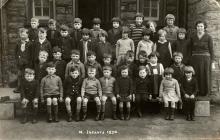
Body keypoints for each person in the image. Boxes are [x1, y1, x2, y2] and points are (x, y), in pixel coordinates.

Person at [189, 20, 215, 96]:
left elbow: (211, 50)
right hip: (195, 59)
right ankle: (196, 92)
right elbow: (190, 49)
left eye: (201, 26)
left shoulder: (208, 37)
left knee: (205, 75)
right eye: (198, 26)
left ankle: (206, 93)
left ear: (204, 27)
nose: (199, 28)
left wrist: (212, 62)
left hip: (206, 60)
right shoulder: (193, 37)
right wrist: (190, 60)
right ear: (196, 27)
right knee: (196, 75)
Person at [14, 28, 32, 93]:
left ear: (27, 35)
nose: (22, 36)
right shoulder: (18, 43)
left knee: (27, 75)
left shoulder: (30, 43)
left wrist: (30, 62)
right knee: (19, 75)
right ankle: (19, 87)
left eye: (24, 34)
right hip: (20, 63)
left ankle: (26, 88)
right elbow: (16, 52)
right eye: (21, 34)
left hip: (27, 63)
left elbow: (31, 54)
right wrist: (17, 60)